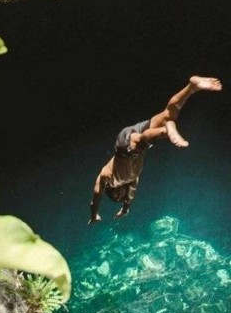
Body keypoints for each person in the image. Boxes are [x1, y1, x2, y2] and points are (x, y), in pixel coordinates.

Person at [88, 76, 222, 223]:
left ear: (112, 190)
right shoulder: (133, 180)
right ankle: (192, 87)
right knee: (168, 114)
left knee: (142, 142)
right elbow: (130, 196)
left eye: (116, 197)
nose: (119, 197)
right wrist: (125, 209)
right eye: (120, 198)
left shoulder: (107, 178)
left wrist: (94, 214)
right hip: (137, 137)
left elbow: (96, 196)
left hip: (125, 144)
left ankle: (166, 131)